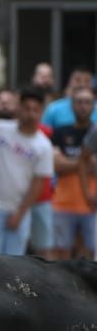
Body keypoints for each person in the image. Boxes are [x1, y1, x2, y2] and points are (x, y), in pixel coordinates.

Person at [0, 87, 55, 256]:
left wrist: (20, 213)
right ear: (19, 108)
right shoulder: (0, 129)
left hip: (19, 209)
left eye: (35, 110)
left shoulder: (43, 145)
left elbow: (38, 185)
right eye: (26, 108)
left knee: (15, 262)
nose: (30, 114)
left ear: (41, 113)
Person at [49, 87, 96, 260]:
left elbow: (63, 162)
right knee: (62, 257)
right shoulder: (61, 132)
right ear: (72, 105)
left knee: (89, 257)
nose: (83, 106)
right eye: (79, 102)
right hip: (63, 203)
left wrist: (69, 162)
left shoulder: (95, 133)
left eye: (88, 102)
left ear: (93, 106)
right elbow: (55, 164)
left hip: (91, 203)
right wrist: (85, 162)